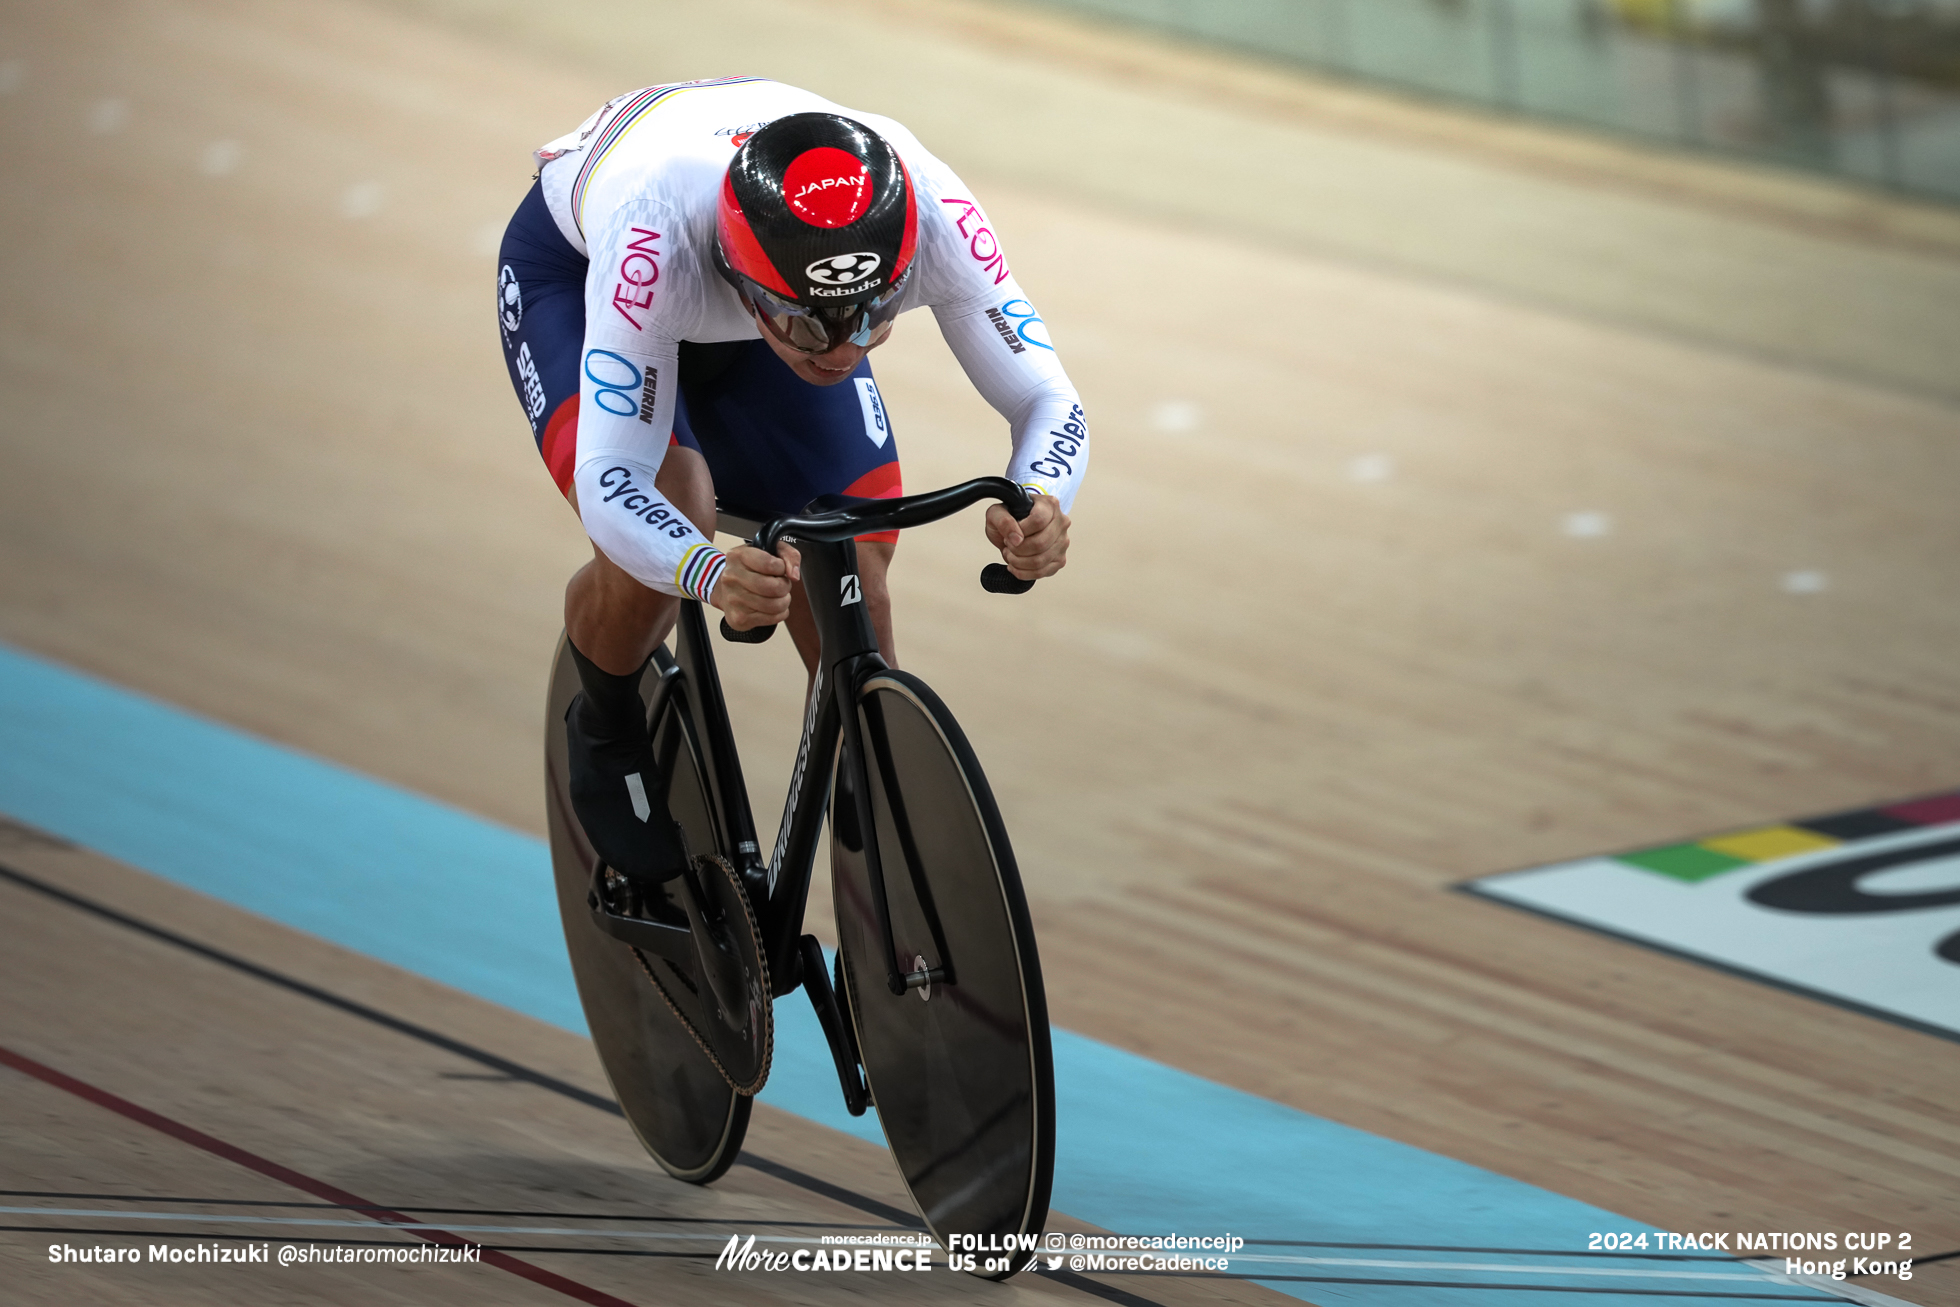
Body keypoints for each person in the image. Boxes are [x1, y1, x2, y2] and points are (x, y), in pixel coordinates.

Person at [497, 78, 1087, 883]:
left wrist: (1043, 491)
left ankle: (860, 776)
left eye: (874, 318)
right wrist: (704, 571)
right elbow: (611, 475)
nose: (844, 351)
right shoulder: (653, 233)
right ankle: (603, 725)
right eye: (815, 326)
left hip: (747, 296)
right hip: (581, 275)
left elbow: (1047, 394)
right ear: (749, 286)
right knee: (679, 506)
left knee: (856, 559)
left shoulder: (931, 209)